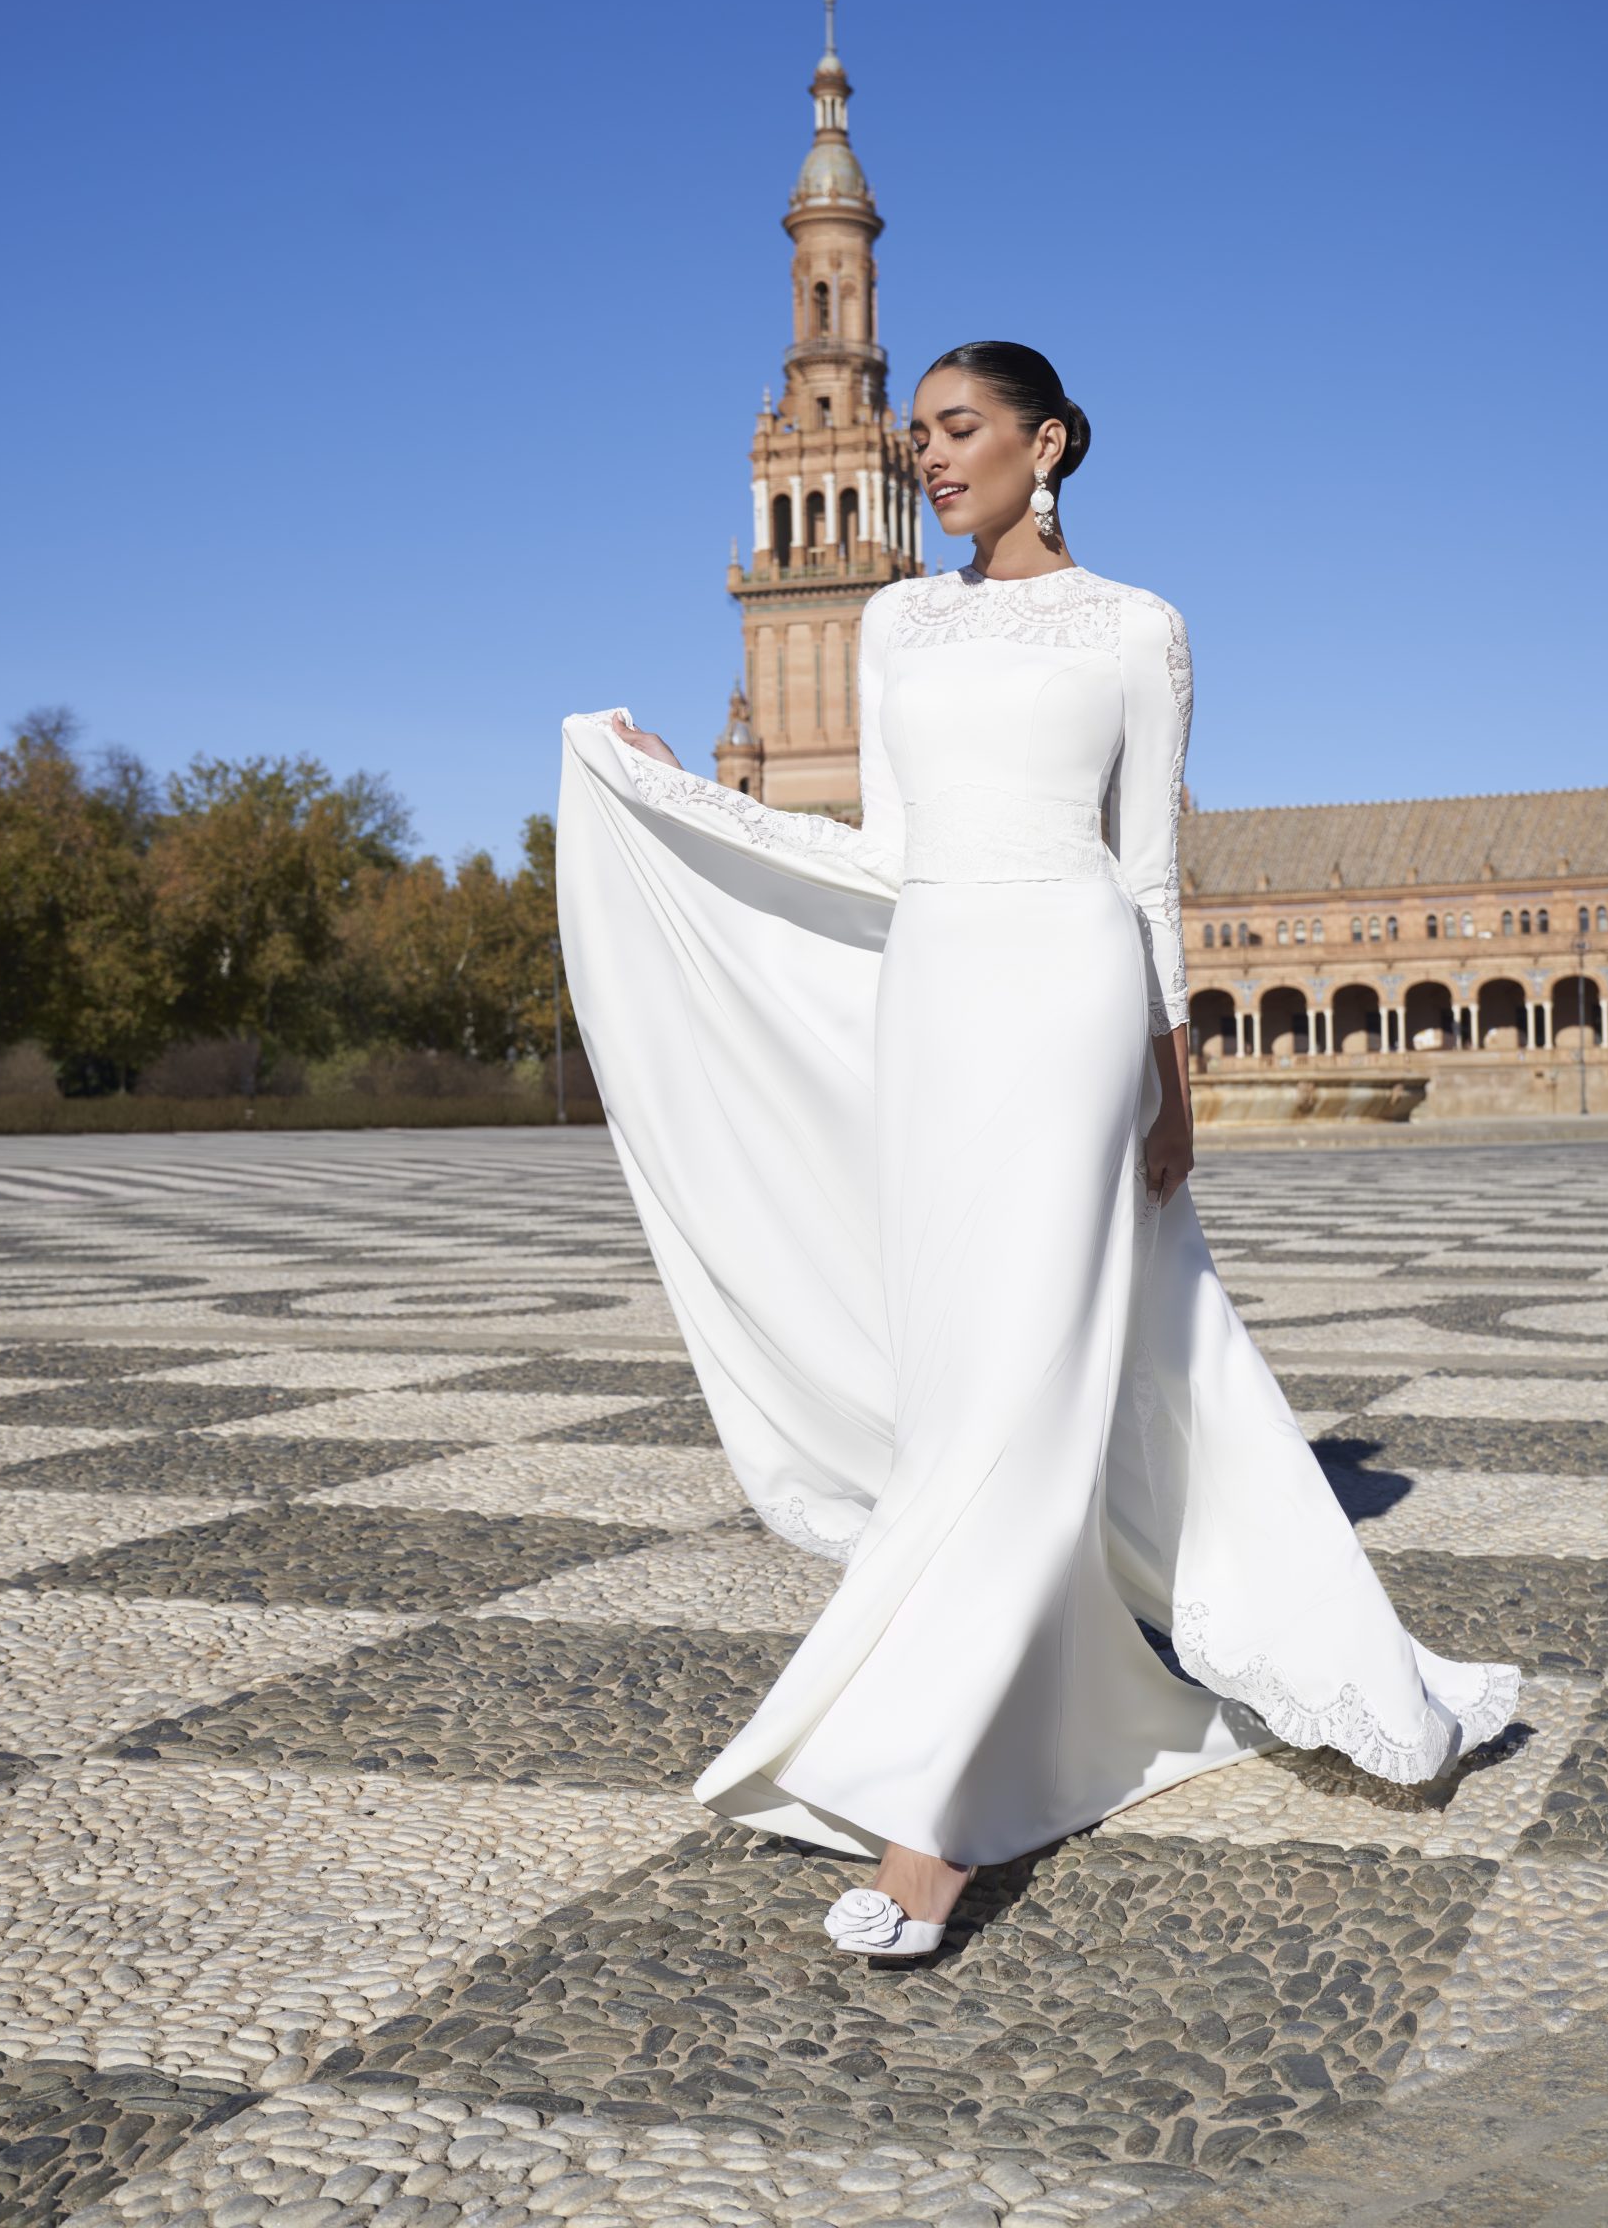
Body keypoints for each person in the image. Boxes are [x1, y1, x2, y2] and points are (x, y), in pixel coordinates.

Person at [556, 340, 1518, 1962]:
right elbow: (885, 847)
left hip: (1074, 991)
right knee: (966, 1378)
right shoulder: (895, 619)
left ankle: (934, 1822)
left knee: (1021, 1375)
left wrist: (1172, 1065)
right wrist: (688, 807)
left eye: (959, 429)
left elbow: (1147, 873)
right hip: (936, 994)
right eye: (918, 435)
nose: (931, 458)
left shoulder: (1137, 628)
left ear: (1044, 441)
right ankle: (1048, 1690)